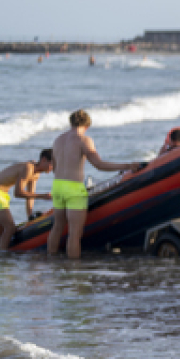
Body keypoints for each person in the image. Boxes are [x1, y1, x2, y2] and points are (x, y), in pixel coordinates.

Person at [48, 110, 143, 259]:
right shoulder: (83, 140)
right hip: (74, 188)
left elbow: (54, 167)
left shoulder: (58, 140)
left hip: (57, 186)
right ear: (87, 125)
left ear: (71, 122)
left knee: (57, 227)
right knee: (74, 234)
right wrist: (127, 166)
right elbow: (99, 165)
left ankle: (51, 264)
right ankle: (74, 272)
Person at [0, 149, 54, 250]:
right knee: (10, 228)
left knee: (0, 230)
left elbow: (29, 196)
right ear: (44, 160)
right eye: (52, 164)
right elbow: (18, 193)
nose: (53, 168)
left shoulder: (36, 173)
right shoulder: (28, 168)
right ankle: (4, 258)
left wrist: (30, 216)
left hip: (1, 194)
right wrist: (42, 196)